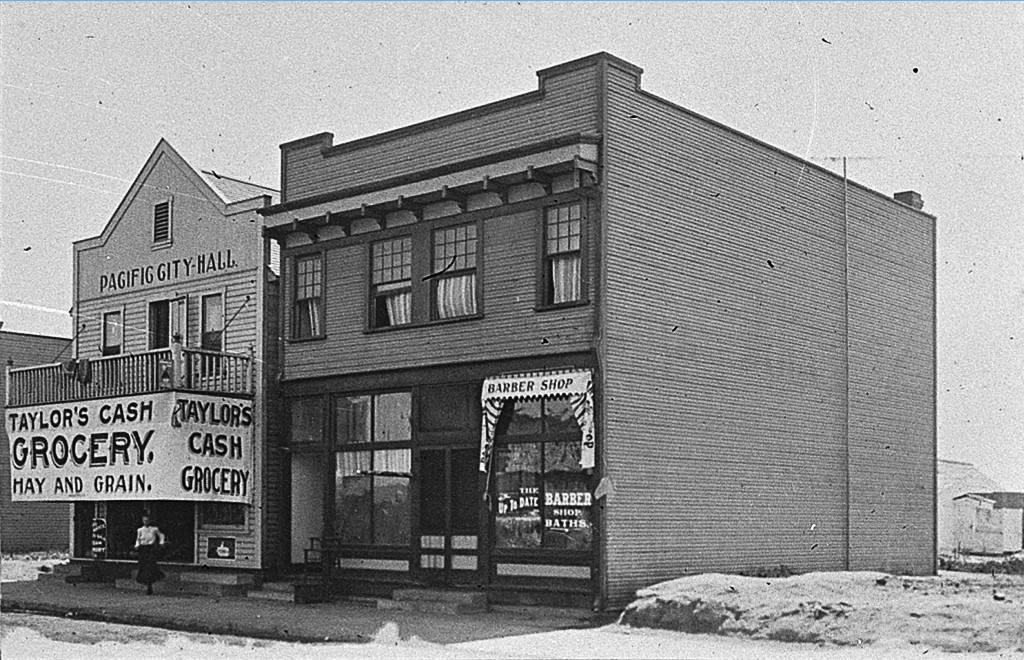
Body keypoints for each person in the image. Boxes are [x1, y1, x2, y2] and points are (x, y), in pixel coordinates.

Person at [134, 513, 166, 595]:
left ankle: (150, 584)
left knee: (150, 566)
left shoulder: (154, 529)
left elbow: (161, 535)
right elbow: (138, 539)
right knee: (143, 566)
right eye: (144, 520)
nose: (146, 522)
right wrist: (137, 545)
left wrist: (161, 542)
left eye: (147, 520)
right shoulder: (140, 530)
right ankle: (146, 583)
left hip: (150, 548)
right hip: (143, 549)